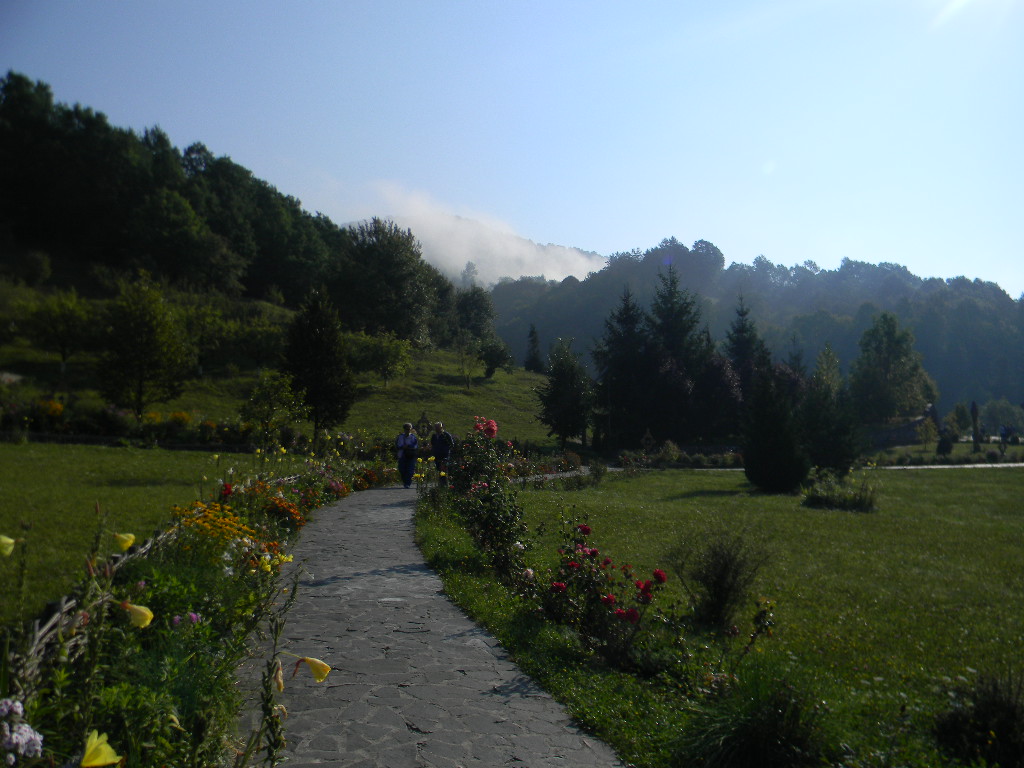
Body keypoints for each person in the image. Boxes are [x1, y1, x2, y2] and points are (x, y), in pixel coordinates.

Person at [430, 421, 457, 486]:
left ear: (441, 427)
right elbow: (432, 444)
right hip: (436, 455)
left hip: (444, 455)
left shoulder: (446, 435)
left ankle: (444, 483)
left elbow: (451, 444)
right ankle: (441, 482)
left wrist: (446, 450)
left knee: (443, 468)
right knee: (439, 468)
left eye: (439, 427)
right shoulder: (434, 436)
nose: (437, 429)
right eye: (436, 428)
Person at [396, 422, 418, 488]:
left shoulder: (413, 437)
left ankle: (407, 483)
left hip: (410, 455)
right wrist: (402, 447)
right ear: (404, 429)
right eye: (406, 429)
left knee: (410, 470)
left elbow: (415, 446)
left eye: (409, 429)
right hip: (402, 455)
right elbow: (397, 445)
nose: (408, 430)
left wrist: (408, 446)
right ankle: (404, 481)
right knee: (402, 469)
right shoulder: (400, 437)